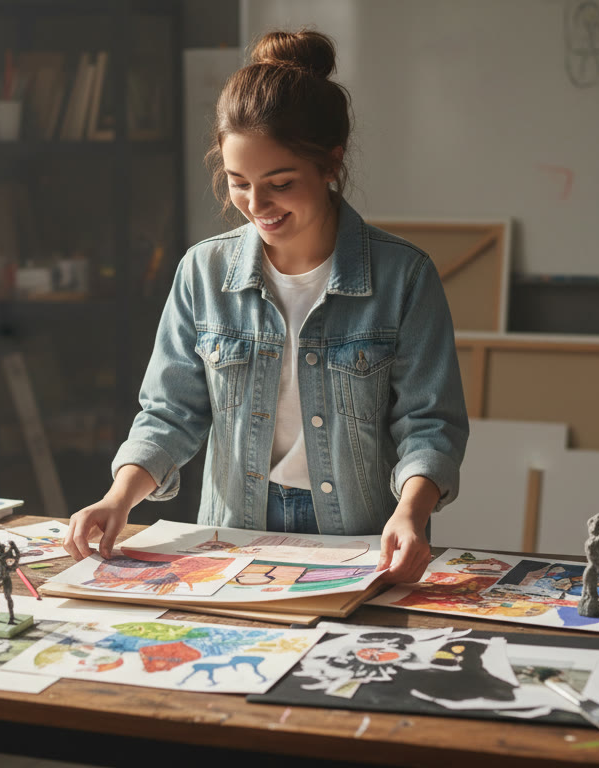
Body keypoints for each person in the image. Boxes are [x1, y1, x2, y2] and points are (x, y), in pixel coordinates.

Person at [65, 29, 468, 584]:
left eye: (279, 183)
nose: (257, 206)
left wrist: (411, 511)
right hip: (231, 534)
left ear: (332, 162)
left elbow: (429, 425)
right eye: (238, 183)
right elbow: (170, 413)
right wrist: (118, 499)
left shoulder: (403, 277)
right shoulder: (202, 273)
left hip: (362, 537)